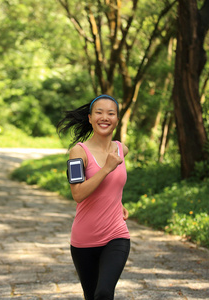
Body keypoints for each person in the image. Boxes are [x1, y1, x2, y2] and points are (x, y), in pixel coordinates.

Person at [57, 94, 131, 300]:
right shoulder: (78, 153)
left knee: (104, 293)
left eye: (111, 113)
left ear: (117, 119)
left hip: (116, 235)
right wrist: (105, 168)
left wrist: (118, 202)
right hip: (84, 240)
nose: (104, 117)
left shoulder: (121, 150)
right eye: (99, 112)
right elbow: (78, 194)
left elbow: (114, 187)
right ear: (90, 118)